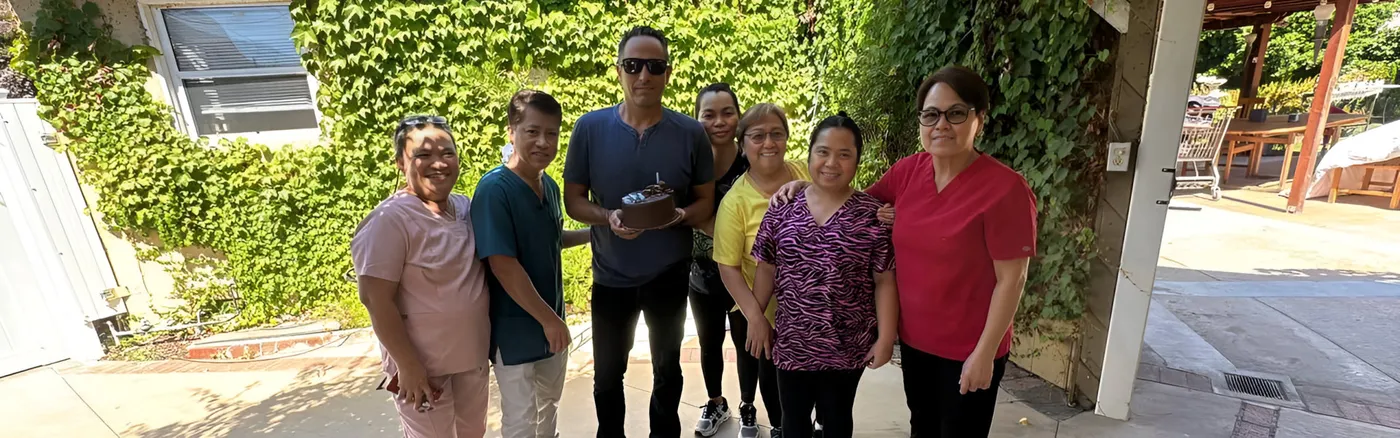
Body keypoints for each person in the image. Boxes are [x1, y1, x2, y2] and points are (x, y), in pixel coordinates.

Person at [776, 66, 1038, 437]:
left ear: (979, 118)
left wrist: (984, 353)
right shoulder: (909, 172)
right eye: (931, 115)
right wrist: (809, 187)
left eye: (955, 113)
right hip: (916, 343)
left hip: (969, 347)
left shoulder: (1005, 189)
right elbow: (849, 203)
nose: (941, 125)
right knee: (923, 428)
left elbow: (1012, 279)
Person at [562, 25, 716, 438]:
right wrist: (608, 216)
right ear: (619, 71)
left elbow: (705, 202)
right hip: (610, 274)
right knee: (607, 376)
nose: (643, 75)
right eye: (633, 65)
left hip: (669, 272)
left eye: (655, 66)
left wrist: (679, 215)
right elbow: (573, 201)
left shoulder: (691, 133)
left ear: (668, 73)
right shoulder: (590, 129)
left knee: (667, 369)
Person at [750, 114, 898, 438]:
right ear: (809, 155)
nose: (832, 163)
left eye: (844, 154)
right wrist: (755, 317)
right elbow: (766, 267)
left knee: (836, 420)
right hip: (793, 342)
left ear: (857, 161)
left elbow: (884, 281)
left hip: (847, 345)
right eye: (823, 152)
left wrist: (886, 338)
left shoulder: (871, 216)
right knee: (793, 421)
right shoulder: (782, 209)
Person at [351, 115, 490, 437]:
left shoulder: (466, 207)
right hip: (424, 371)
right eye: (423, 155)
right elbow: (374, 298)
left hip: (471, 359)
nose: (438, 163)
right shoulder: (389, 219)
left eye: (447, 153)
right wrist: (408, 365)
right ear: (401, 163)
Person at [472, 90, 591, 438]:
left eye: (552, 133)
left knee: (548, 406)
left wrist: (596, 233)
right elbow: (503, 265)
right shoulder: (494, 190)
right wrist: (549, 320)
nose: (543, 142)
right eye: (532, 131)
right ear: (512, 132)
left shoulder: (549, 186)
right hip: (516, 331)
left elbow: (553, 238)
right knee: (521, 419)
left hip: (552, 323)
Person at [710, 102, 809, 438]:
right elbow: (728, 267)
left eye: (776, 134)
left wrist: (808, 187)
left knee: (821, 395)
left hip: (819, 309)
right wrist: (755, 318)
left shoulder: (807, 172)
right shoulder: (735, 202)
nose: (769, 143)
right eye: (758, 136)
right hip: (771, 315)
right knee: (779, 393)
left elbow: (840, 196)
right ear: (743, 145)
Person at [686, 83, 752, 437]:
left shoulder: (752, 162)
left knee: (748, 345)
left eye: (727, 113)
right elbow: (679, 211)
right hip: (701, 274)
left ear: (738, 117)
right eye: (708, 114)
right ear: (696, 119)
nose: (719, 121)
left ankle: (748, 407)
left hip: (746, 274)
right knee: (709, 344)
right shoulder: (688, 164)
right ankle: (716, 403)